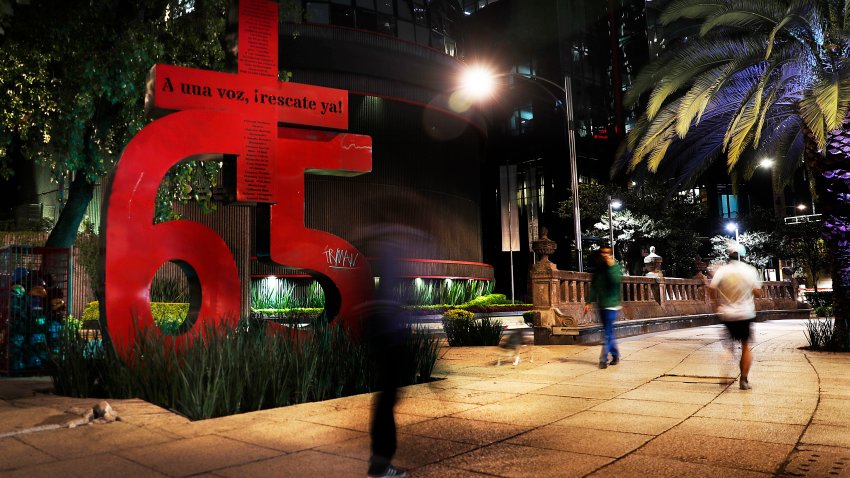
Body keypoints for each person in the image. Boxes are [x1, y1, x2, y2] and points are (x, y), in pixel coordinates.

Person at [709, 241, 762, 390]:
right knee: (745, 346)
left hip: (727, 313)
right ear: (743, 255)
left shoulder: (722, 271)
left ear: (729, 255)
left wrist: (716, 304)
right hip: (746, 313)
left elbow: (711, 289)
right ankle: (744, 380)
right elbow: (757, 292)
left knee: (728, 347)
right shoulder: (750, 270)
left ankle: (724, 375)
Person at [584, 246, 623, 369]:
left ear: (610, 254)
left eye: (607, 253)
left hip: (612, 305)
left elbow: (615, 281)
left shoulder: (615, 267)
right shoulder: (599, 269)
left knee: (607, 333)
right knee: (609, 332)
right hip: (602, 305)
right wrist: (588, 301)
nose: (604, 255)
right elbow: (594, 286)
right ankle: (615, 355)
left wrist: (611, 267)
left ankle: (603, 359)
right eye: (602, 252)